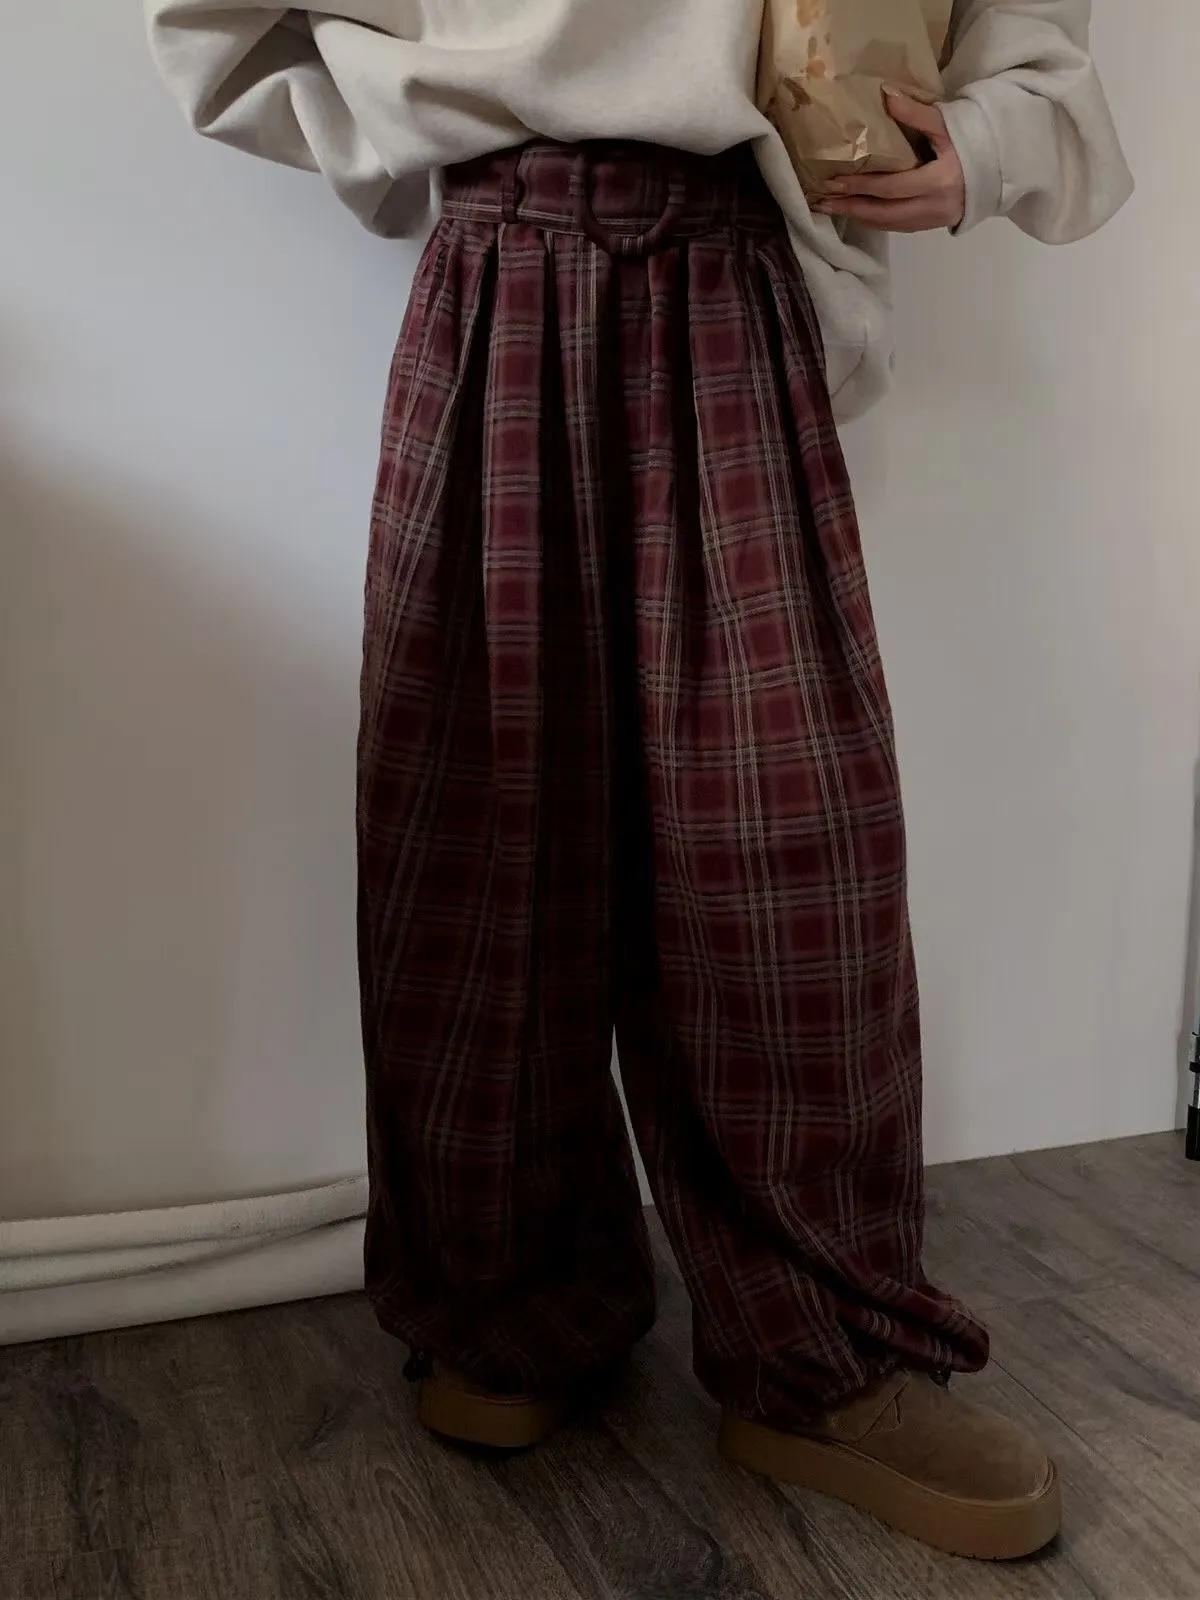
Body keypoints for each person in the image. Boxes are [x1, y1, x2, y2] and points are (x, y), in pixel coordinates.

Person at [146, 0, 1132, 1562]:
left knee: (787, 855)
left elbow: (1029, 49)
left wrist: (989, 143)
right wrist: (412, 109)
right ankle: (506, 1302)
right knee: (477, 835)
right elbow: (214, 32)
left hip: (739, 261)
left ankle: (820, 1355)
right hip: (493, 259)